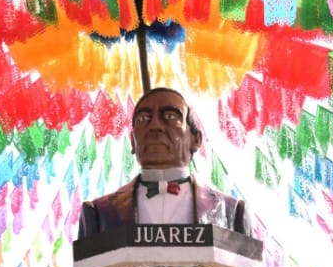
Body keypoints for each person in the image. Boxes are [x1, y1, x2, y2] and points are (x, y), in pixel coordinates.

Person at [76, 86, 251, 236]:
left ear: (196, 139)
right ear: (132, 141)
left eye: (170, 116)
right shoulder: (99, 214)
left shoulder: (231, 213)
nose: (155, 126)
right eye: (143, 119)